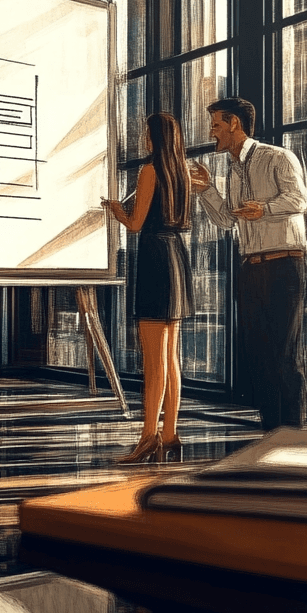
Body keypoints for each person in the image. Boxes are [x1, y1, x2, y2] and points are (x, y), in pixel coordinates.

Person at [189, 97, 307, 430]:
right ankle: (271, 430)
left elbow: (299, 199)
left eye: (215, 125)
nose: (211, 132)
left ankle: (293, 432)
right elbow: (228, 221)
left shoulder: (277, 157)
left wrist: (265, 209)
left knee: (285, 354)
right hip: (250, 267)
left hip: (285, 264)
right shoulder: (231, 169)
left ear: (234, 124)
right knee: (258, 353)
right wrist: (206, 190)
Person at [103, 113, 194, 464]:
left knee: (153, 362)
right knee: (171, 357)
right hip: (177, 257)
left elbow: (136, 224)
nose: (143, 138)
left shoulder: (150, 170)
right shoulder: (182, 172)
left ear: (154, 136)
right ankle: (169, 434)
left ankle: (147, 438)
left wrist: (116, 211)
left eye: (146, 133)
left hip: (156, 258)